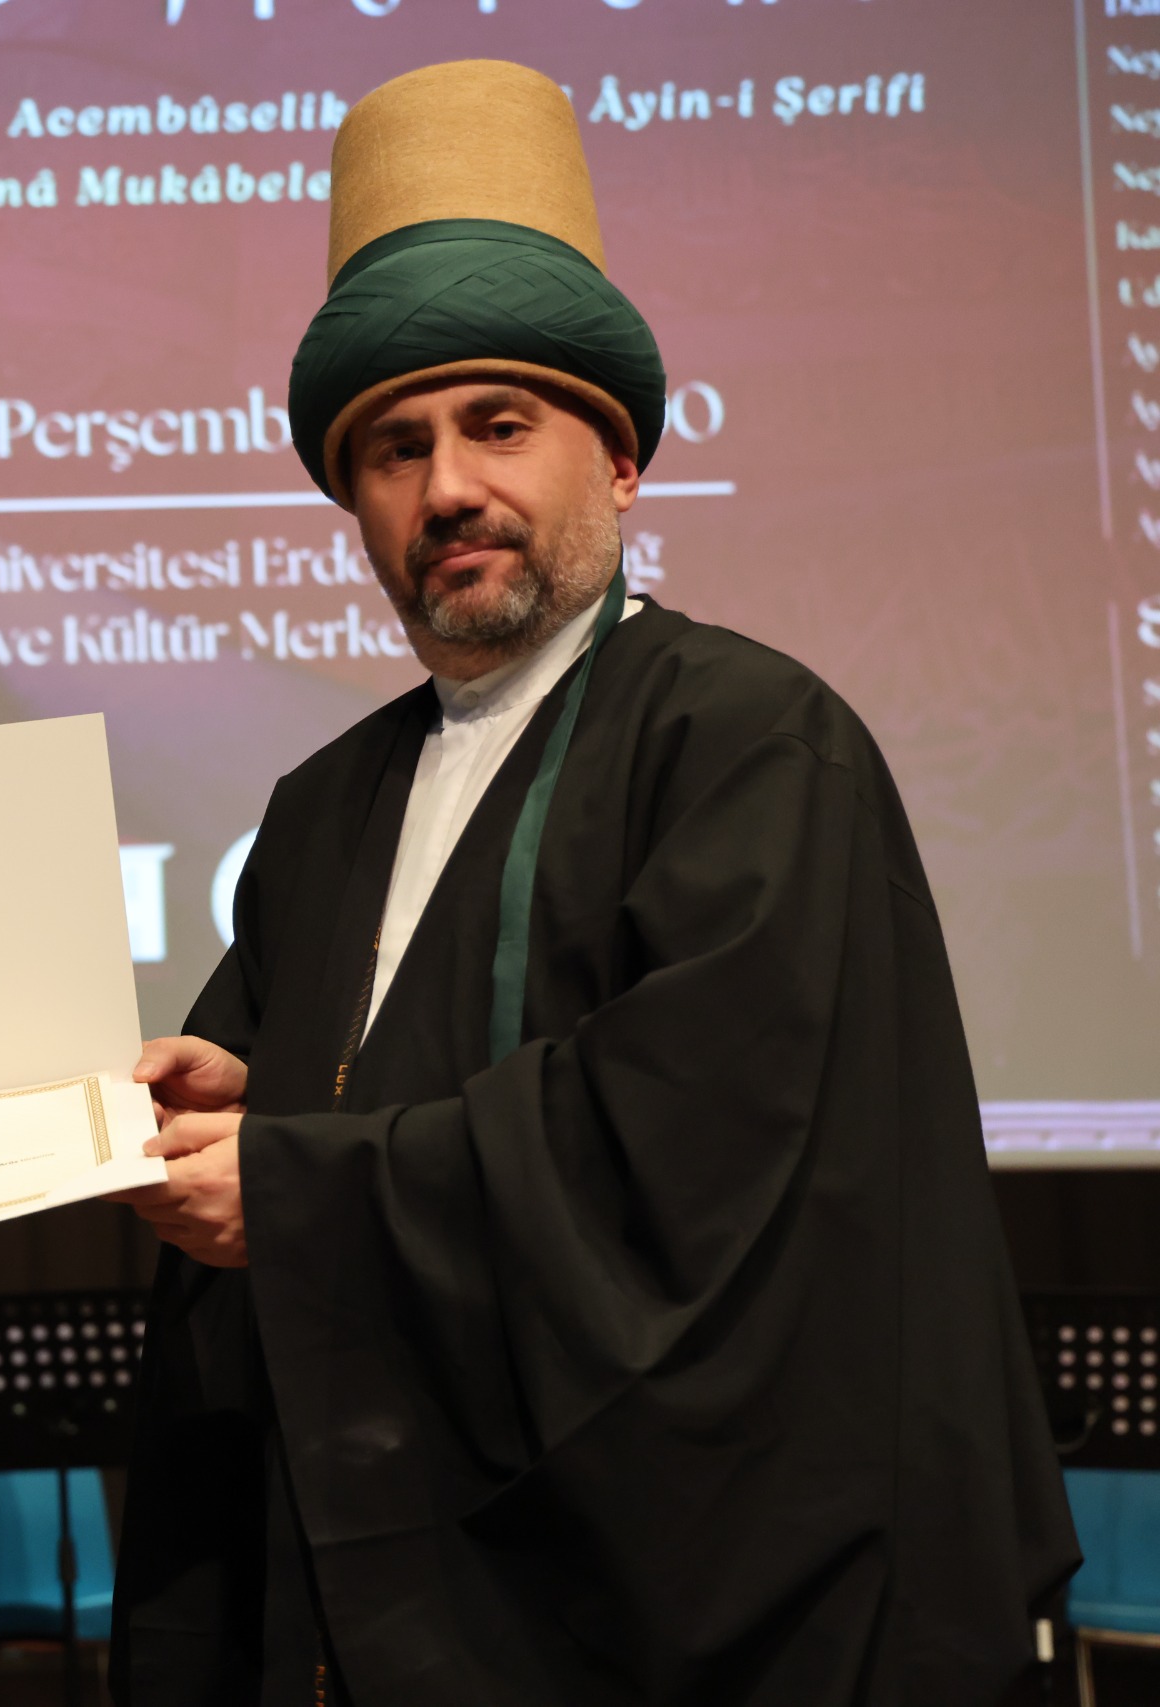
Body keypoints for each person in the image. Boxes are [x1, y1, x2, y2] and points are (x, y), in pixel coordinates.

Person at [109, 60, 1076, 1706]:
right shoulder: (323, 807)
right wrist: (245, 1101)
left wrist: (301, 1187)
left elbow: (702, 1151)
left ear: (619, 464)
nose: (447, 490)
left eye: (500, 427)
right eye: (393, 450)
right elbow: (339, 1114)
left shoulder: (753, 740)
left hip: (677, 1604)